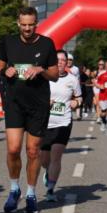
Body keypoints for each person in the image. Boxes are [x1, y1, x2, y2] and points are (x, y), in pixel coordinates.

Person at [0, 6, 59, 213]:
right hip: (14, 103)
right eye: (23, 25)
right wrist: (6, 70)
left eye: (31, 25)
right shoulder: (9, 42)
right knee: (13, 149)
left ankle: (31, 193)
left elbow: (55, 75)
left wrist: (41, 70)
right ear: (18, 23)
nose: (27, 29)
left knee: (33, 151)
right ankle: (14, 189)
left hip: (38, 105)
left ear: (36, 23)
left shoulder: (47, 44)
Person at [40, 51, 81, 202]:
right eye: (57, 60)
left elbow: (79, 97)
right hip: (45, 122)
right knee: (44, 160)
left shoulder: (72, 80)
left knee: (56, 156)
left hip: (64, 122)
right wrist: (45, 102)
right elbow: (35, 96)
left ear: (67, 62)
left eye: (63, 60)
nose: (60, 62)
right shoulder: (44, 77)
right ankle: (48, 171)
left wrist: (76, 102)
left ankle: (50, 189)